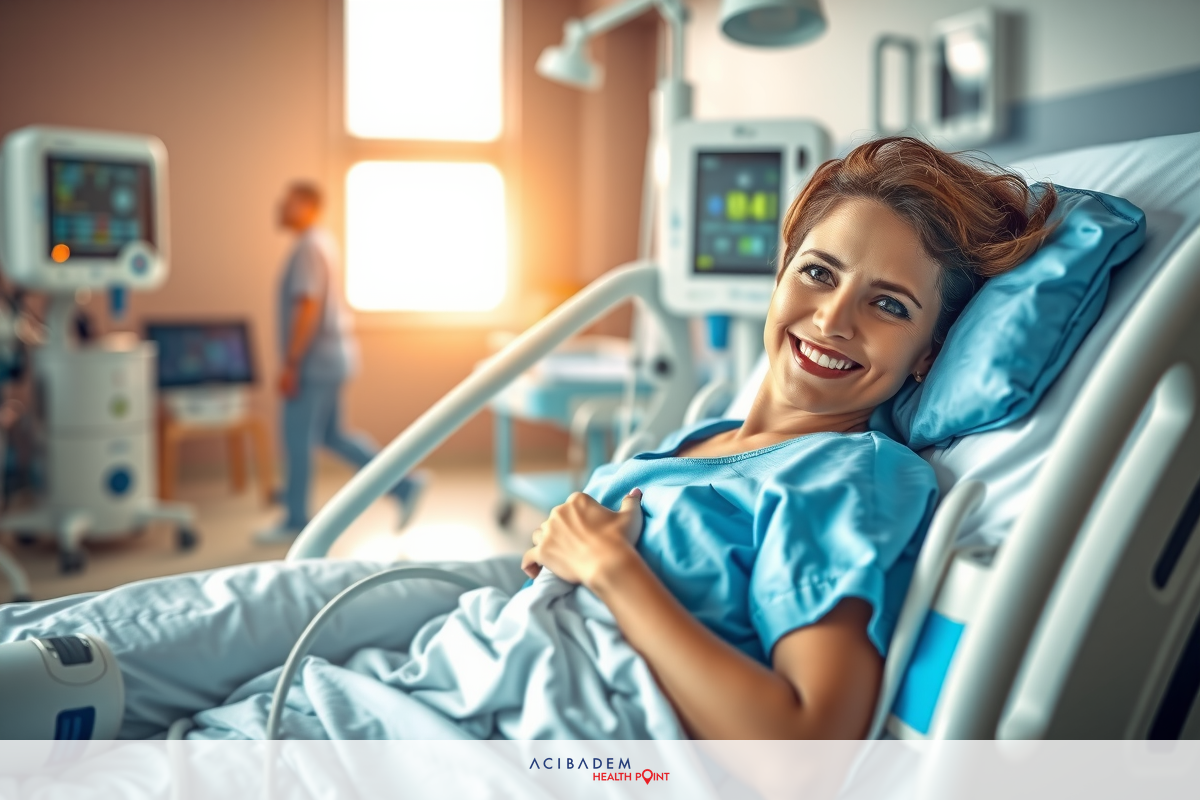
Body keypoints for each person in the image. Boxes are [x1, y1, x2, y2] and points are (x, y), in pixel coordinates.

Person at [0, 138, 1055, 739]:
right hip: (440, 662)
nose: (831, 320)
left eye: (888, 305)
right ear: (781, 277)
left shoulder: (851, 475)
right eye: (818, 274)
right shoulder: (708, 435)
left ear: (926, 358)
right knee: (163, 665)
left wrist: (611, 567)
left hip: (505, 732)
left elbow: (804, 749)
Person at [256, 182, 426, 544]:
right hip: (332, 358)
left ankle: (296, 520)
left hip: (313, 363)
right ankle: (404, 485)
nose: (280, 208)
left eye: (287, 203)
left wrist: (290, 363)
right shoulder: (322, 242)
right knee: (334, 436)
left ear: (308, 206)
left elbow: (308, 306)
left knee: (297, 440)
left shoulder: (308, 247)